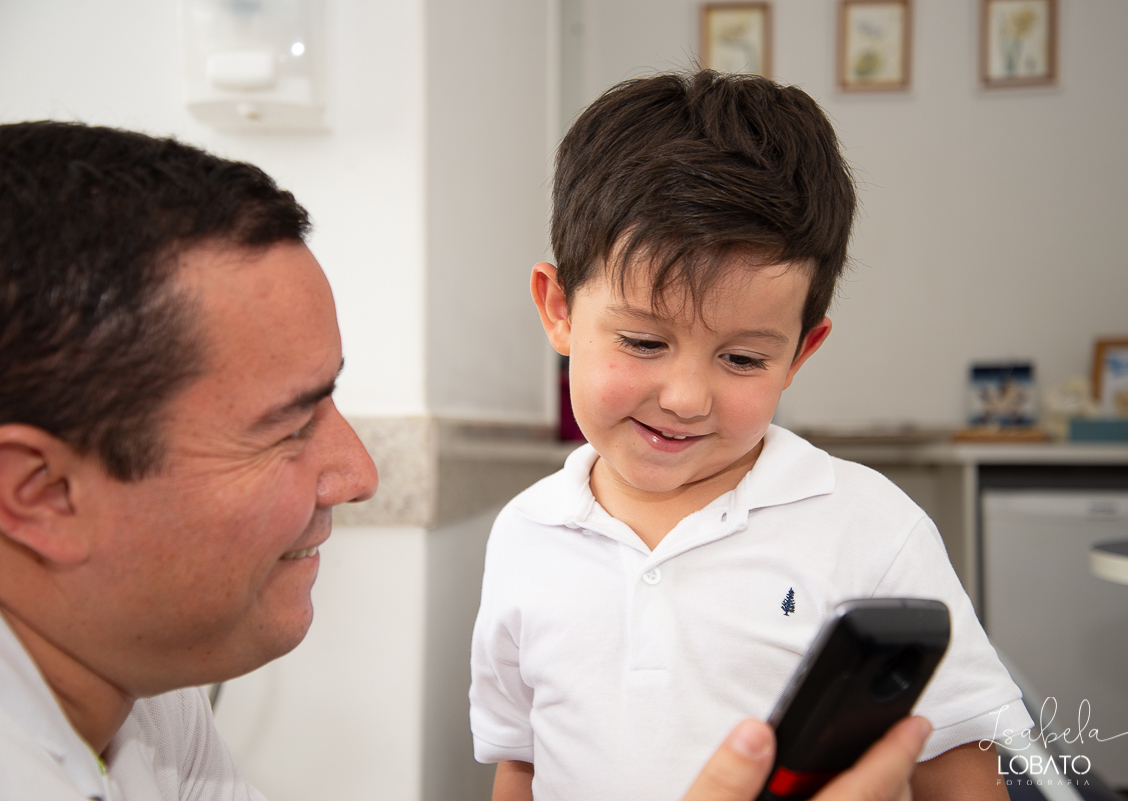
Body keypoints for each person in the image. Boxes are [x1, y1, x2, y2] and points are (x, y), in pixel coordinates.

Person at [0, 120, 932, 801]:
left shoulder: (146, 708)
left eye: (738, 356)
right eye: (289, 425)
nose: (362, 471)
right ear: (39, 493)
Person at [469, 70, 1033, 801]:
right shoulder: (526, 534)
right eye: (643, 341)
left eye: (741, 358)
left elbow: (960, 759)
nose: (685, 398)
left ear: (801, 351)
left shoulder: (871, 527)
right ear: (560, 310)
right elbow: (521, 760)